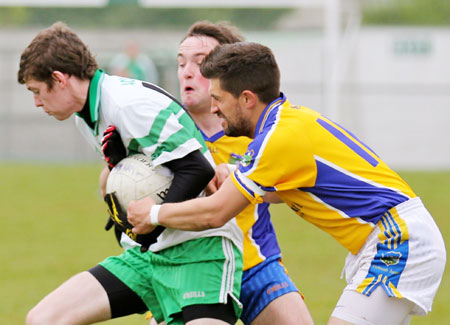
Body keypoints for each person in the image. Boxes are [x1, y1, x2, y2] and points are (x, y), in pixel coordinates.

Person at [128, 42, 447, 324]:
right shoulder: (285, 122)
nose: (213, 108)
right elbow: (280, 191)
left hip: (397, 240)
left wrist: (153, 214)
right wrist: (235, 176)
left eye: (219, 99)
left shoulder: (278, 138)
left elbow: (216, 213)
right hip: (391, 237)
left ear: (247, 99)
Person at [18, 21, 243, 325]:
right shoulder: (86, 116)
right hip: (146, 257)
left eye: (36, 90)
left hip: (200, 251)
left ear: (59, 79)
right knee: (44, 318)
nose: (36, 102)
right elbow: (144, 176)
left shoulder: (126, 104)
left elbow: (197, 169)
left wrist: (150, 224)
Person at [176, 21, 313, 325]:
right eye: (181, 63)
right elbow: (118, 186)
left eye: (200, 64)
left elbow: (292, 187)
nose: (186, 72)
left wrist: (239, 172)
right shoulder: (162, 131)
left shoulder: (258, 131)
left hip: (255, 265)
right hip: (188, 268)